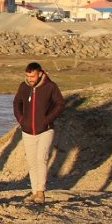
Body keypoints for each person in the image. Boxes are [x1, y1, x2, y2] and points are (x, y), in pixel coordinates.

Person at [13, 61, 66, 204]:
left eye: (33, 76)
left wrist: (47, 120)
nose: (30, 79)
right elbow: (17, 103)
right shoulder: (23, 87)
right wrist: (21, 120)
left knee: (41, 158)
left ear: (40, 74)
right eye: (28, 76)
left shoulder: (51, 87)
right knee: (31, 162)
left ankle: (41, 192)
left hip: (46, 130)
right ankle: (35, 191)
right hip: (27, 131)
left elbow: (60, 104)